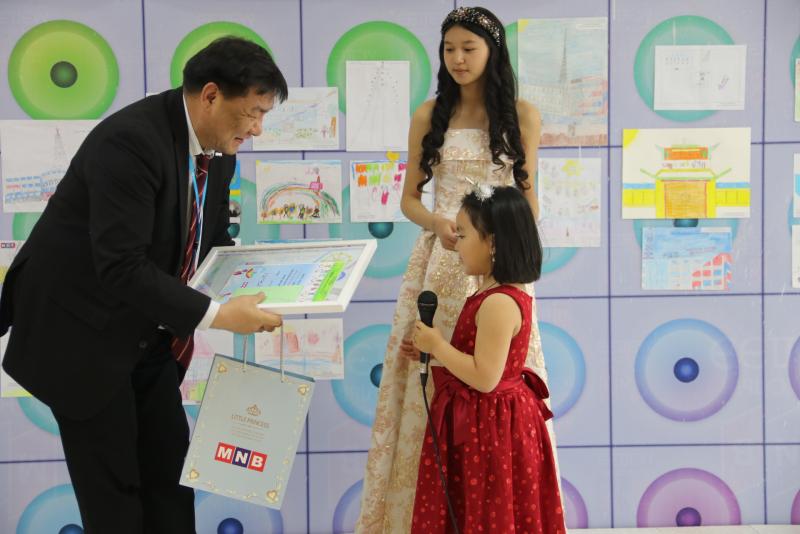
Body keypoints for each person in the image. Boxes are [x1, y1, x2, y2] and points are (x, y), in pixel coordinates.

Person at [0, 37, 287, 533]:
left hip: (146, 333)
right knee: (116, 501)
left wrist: (282, 278)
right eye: (253, 113)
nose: (258, 129)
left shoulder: (219, 151)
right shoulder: (131, 142)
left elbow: (212, 242)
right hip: (80, 337)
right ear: (212, 95)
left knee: (170, 485)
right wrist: (220, 316)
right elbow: (121, 266)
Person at [356, 6, 559, 532]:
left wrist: (503, 246)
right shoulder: (430, 115)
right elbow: (409, 200)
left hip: (500, 262)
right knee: (431, 375)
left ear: (493, 51)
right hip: (443, 261)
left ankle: (495, 510)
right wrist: (438, 223)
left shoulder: (522, 115)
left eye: (469, 48)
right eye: (449, 49)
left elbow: (529, 203)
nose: (458, 59)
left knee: (492, 380)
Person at [411, 185, 565, 533]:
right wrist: (433, 351)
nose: (456, 244)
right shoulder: (491, 293)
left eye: (464, 235)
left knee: (487, 510)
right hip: (485, 422)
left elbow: (485, 377)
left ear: (492, 243)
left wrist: (438, 346)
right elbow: (477, 358)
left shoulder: (499, 302)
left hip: (490, 428)